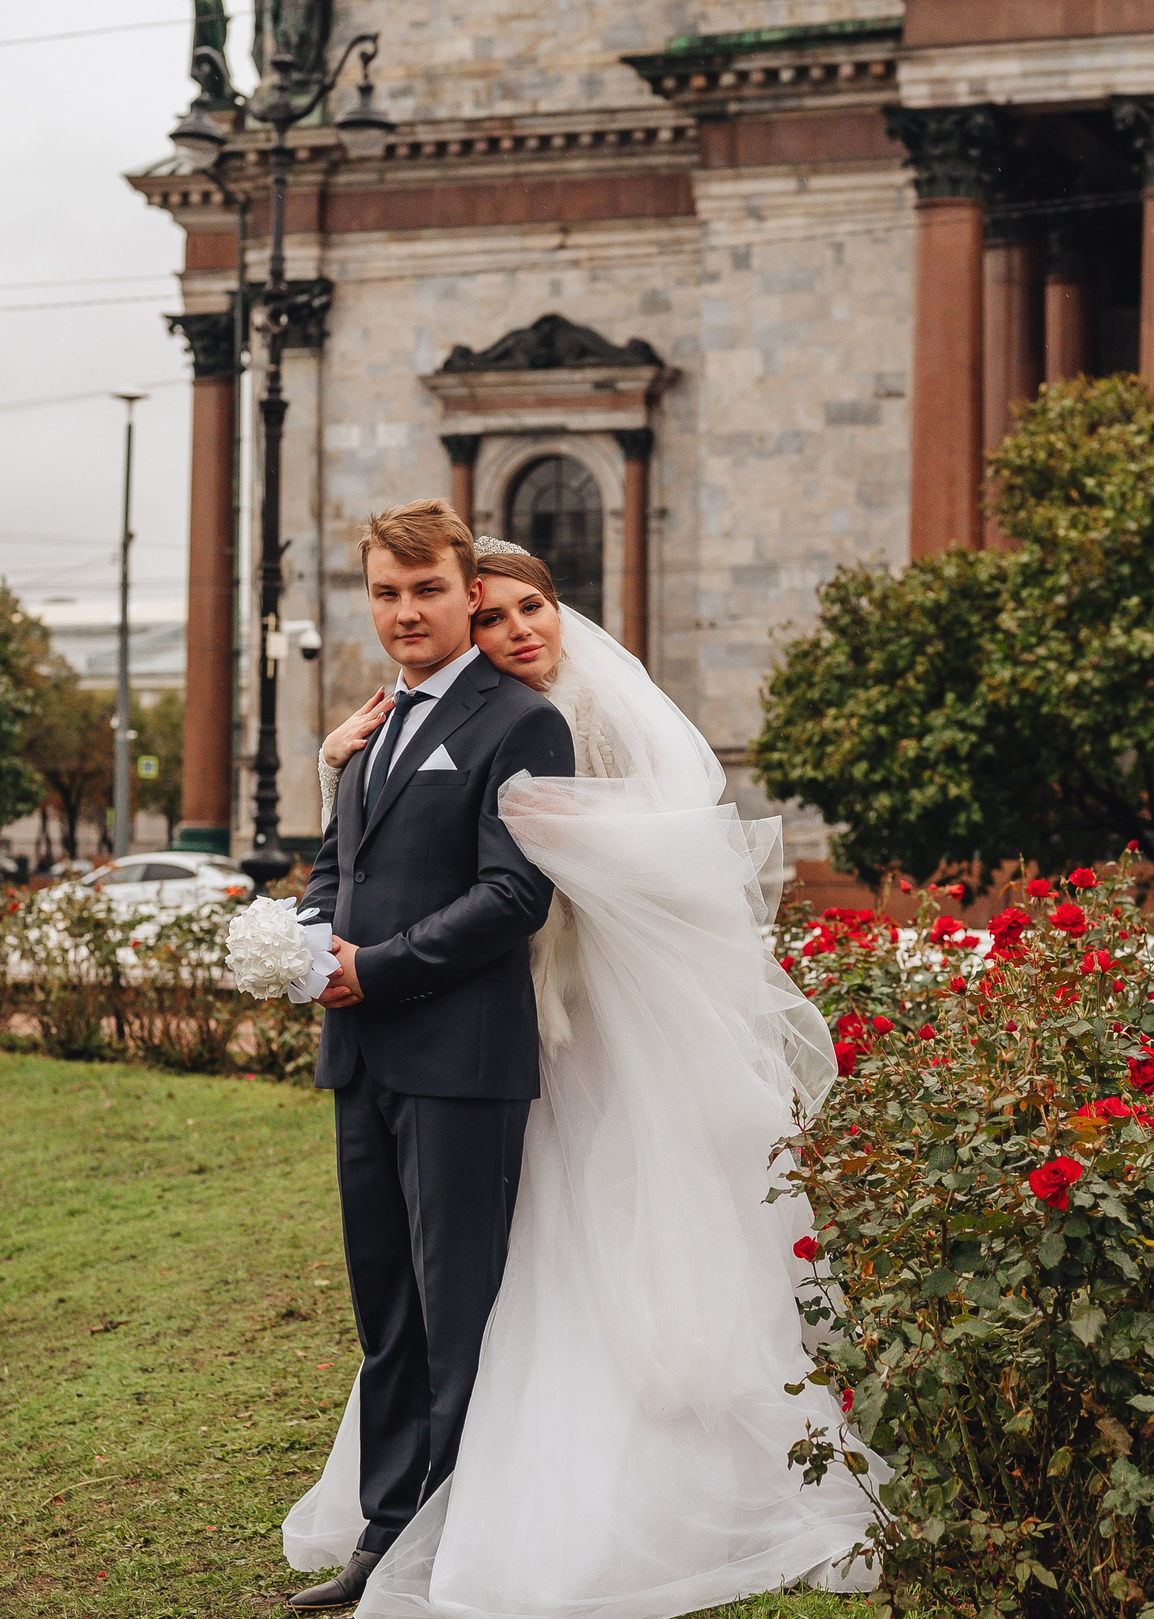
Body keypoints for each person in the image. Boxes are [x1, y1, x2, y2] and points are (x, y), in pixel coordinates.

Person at [288, 536, 876, 1617]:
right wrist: (334, 781)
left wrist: (574, 851)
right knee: (461, 1278)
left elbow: (575, 875)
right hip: (482, 1016)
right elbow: (378, 852)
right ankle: (407, 1512)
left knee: (550, 1254)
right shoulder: (406, 717)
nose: (515, 630)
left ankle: (480, 1507)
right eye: (495, 615)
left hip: (569, 1009)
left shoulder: (562, 721)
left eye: (528, 608)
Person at [289, 501, 576, 1612]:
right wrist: (303, 946)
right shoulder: (375, 722)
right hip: (360, 1055)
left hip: (461, 1058)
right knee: (388, 1312)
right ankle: (386, 1531)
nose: (405, 611)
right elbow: (340, 865)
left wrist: (378, 967)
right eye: (386, 592)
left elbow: (513, 894)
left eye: (427, 590)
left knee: (460, 1316)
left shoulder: (521, 722)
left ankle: (450, 1546)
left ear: (468, 593)